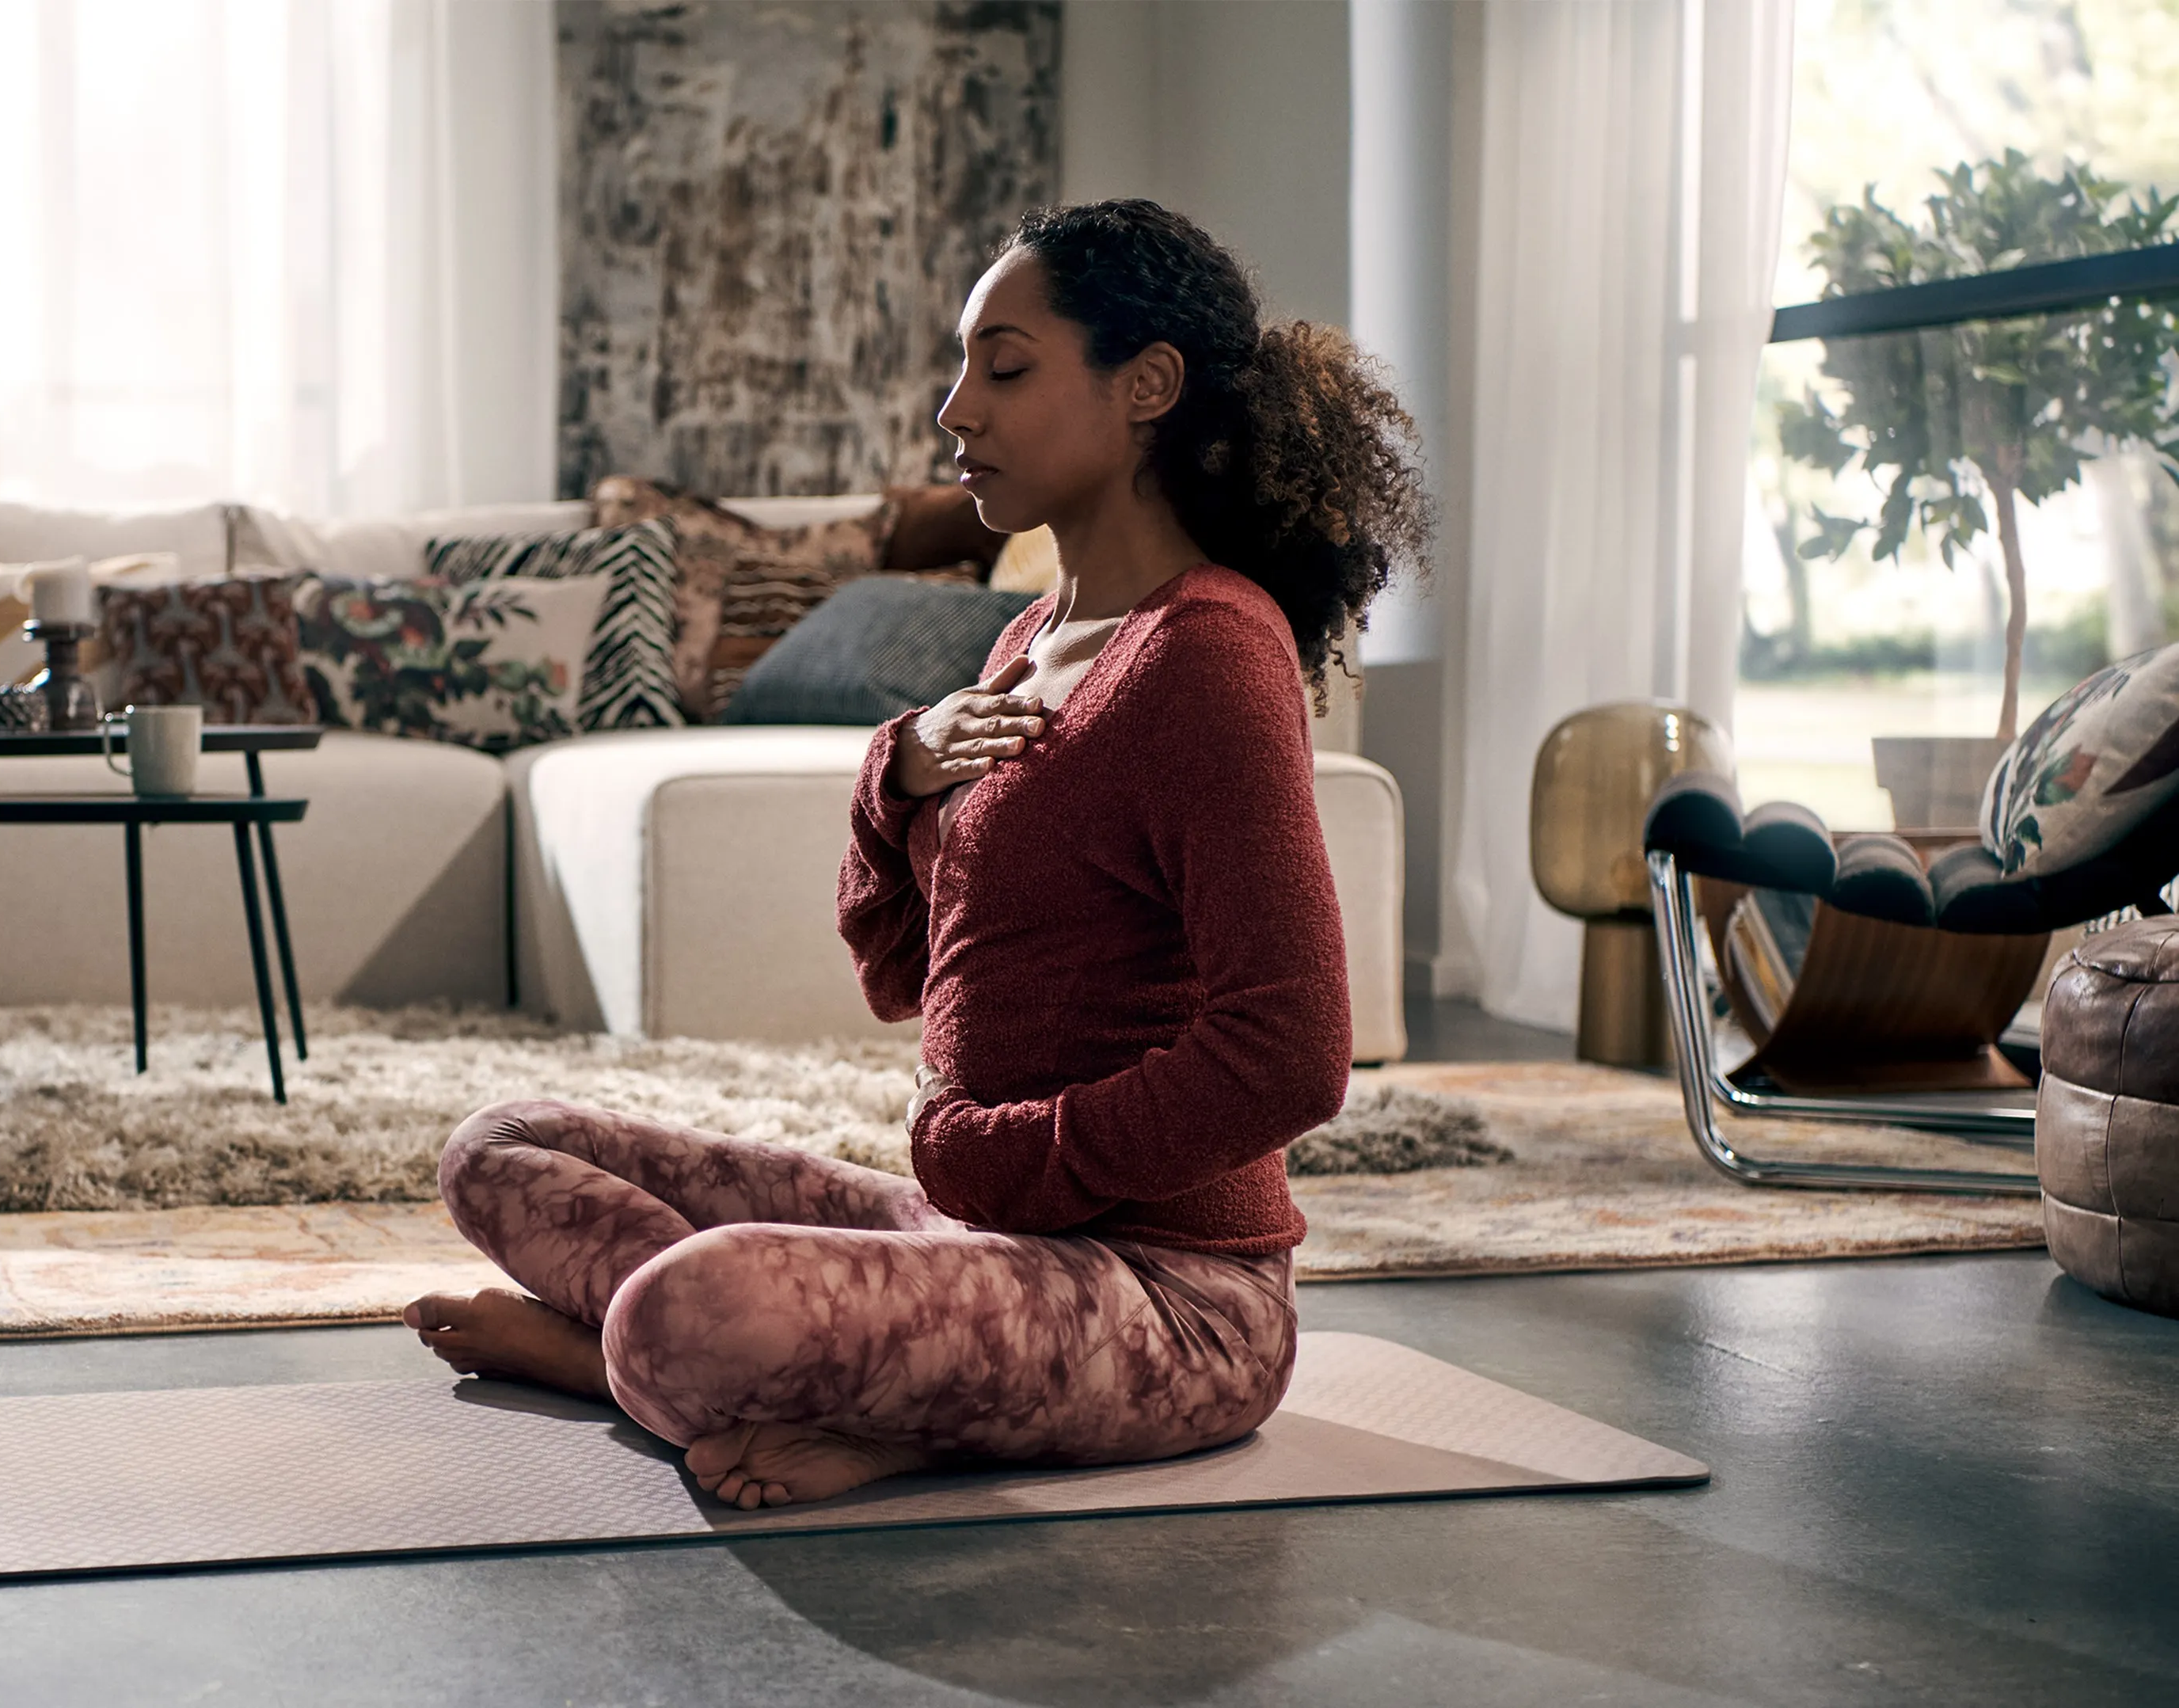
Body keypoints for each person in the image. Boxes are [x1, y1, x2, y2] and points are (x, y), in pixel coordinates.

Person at [404, 199, 1430, 1509]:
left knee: (692, 1308)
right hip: (976, 1232)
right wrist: (895, 777)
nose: (955, 410)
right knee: (499, 1147)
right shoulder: (1025, 644)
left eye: (1004, 368)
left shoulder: (1207, 654)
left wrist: (1000, 1160)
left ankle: (628, 1360)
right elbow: (902, 975)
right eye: (961, 370)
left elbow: (1291, 1050)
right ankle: (797, 1383)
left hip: (1171, 1301)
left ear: (1147, 387)